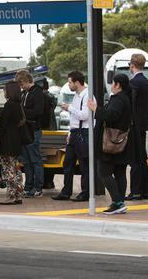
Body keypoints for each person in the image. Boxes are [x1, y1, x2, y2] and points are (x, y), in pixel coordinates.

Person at [88, 73, 134, 215]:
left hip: (109, 143)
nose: (111, 85)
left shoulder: (118, 99)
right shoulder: (127, 98)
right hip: (122, 142)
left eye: (113, 83)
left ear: (117, 85)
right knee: (119, 172)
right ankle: (119, 203)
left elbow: (110, 116)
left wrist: (96, 109)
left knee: (104, 172)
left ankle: (118, 202)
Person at [52, 71, 90, 202]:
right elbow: (74, 118)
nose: (68, 85)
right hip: (74, 133)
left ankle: (85, 192)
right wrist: (69, 133)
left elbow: (85, 115)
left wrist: (69, 108)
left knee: (84, 164)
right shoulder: (76, 95)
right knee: (68, 163)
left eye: (70, 82)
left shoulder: (87, 95)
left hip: (83, 133)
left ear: (77, 82)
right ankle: (66, 191)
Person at [16, 69, 44, 197]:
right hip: (24, 131)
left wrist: (23, 113)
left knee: (35, 159)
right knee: (26, 161)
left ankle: (37, 187)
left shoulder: (37, 92)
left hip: (33, 130)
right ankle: (28, 186)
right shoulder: (24, 93)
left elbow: (39, 111)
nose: (21, 87)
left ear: (27, 81)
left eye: (21, 84)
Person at [0, 82, 25, 205]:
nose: (4, 92)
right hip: (16, 141)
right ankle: (18, 194)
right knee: (16, 169)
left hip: (7, 142)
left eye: (5, 90)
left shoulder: (9, 105)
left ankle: (12, 195)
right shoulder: (19, 105)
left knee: (8, 169)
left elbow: (3, 126)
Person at [128, 53, 148, 200]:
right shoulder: (147, 82)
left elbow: (130, 105)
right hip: (144, 125)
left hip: (134, 125)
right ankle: (146, 190)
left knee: (135, 159)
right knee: (143, 157)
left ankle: (135, 190)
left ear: (132, 65)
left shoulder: (133, 84)